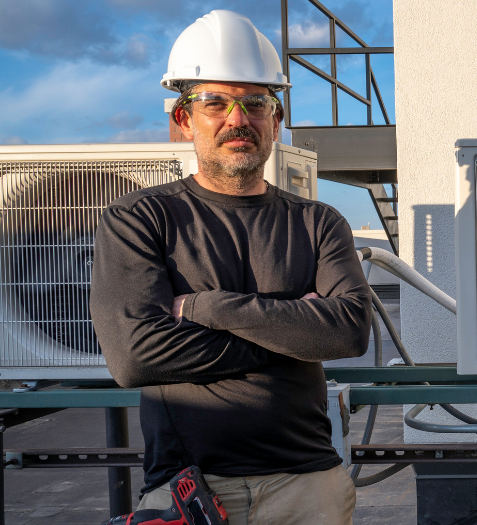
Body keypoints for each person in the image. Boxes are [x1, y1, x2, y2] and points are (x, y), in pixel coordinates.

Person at [89, 10, 370, 524]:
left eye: (255, 103)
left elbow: (349, 333)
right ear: (183, 119)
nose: (238, 119)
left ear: (276, 120)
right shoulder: (140, 218)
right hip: (189, 491)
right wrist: (290, 332)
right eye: (214, 102)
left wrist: (205, 307)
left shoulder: (318, 221)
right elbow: (136, 358)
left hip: (308, 489)